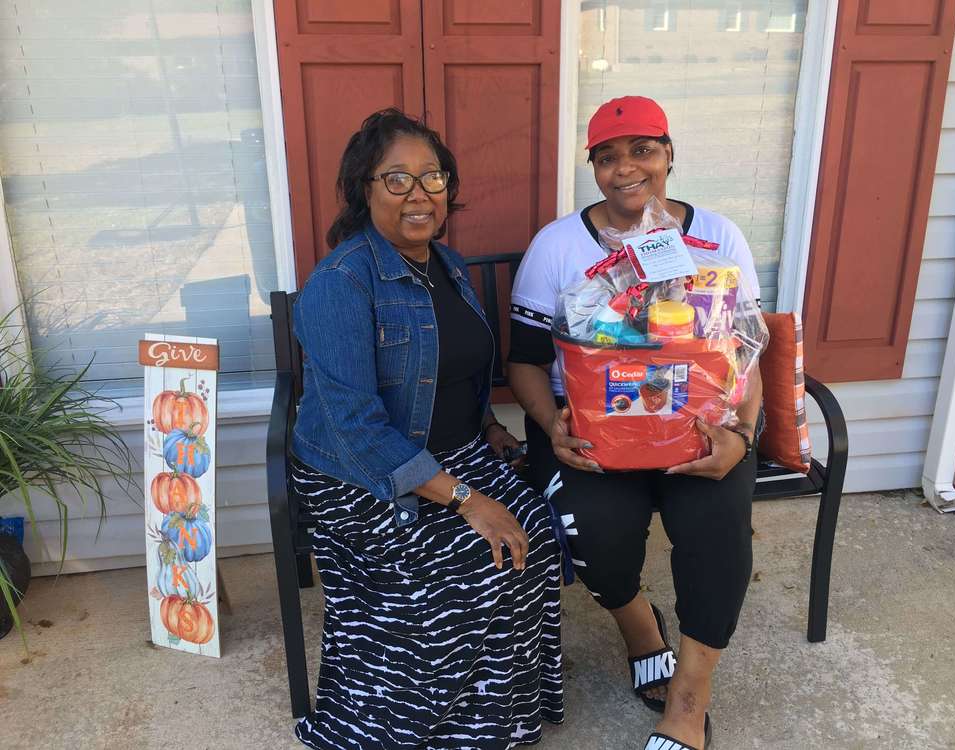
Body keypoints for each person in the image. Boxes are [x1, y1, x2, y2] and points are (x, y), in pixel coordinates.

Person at [291, 108, 564, 750]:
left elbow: (455, 372)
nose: (419, 195)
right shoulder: (340, 284)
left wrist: (490, 430)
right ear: (364, 188)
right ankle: (427, 724)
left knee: (536, 537)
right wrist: (469, 501)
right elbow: (355, 427)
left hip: (456, 452)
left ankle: (499, 717)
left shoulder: (446, 262)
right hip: (359, 473)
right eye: (396, 180)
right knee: (476, 558)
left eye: (432, 178)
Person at [508, 96, 763, 750]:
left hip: (697, 427)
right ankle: (638, 626)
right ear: (592, 166)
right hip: (594, 429)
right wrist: (551, 424)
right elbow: (526, 361)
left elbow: (747, 351)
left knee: (717, 527)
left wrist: (739, 432)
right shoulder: (557, 246)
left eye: (643, 150)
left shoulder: (719, 239)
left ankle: (687, 701)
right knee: (595, 530)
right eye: (607, 156)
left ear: (669, 154)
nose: (626, 168)